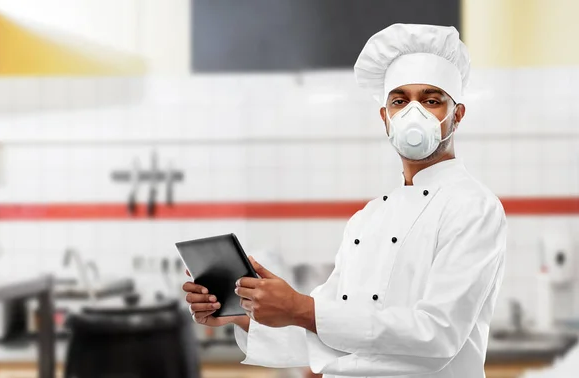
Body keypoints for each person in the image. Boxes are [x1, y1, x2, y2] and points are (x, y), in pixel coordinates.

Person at [183, 23, 507, 378]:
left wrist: (301, 308)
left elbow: (437, 335)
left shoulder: (474, 206)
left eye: (431, 100)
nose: (414, 113)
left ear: (456, 115)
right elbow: (329, 334)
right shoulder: (367, 219)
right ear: (386, 118)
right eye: (399, 101)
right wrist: (245, 314)